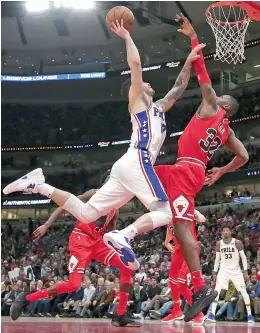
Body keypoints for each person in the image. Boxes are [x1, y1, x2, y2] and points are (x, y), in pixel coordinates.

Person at [3, 21, 204, 271]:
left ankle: (38, 185)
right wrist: (128, 37)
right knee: (166, 211)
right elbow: (136, 65)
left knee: (87, 214)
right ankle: (124, 235)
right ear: (136, 89)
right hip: (138, 160)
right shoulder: (137, 104)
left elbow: (177, 89)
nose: (150, 84)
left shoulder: (158, 108)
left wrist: (189, 60)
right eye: (145, 83)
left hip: (126, 168)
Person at [111, 13, 249, 322]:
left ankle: (200, 286)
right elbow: (244, 158)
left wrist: (192, 37)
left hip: (188, 171)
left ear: (223, 105)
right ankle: (121, 228)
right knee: (137, 175)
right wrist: (222, 171)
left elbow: (202, 75)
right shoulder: (229, 133)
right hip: (184, 169)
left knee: (183, 225)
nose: (215, 96)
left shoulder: (213, 106)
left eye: (221, 97)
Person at [9, 175, 141, 327]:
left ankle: (120, 314)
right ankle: (26, 299)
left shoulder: (115, 209)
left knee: (127, 265)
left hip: (98, 242)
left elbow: (111, 231)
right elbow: (64, 203)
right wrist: (47, 224)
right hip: (81, 240)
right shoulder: (93, 194)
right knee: (74, 285)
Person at [208, 225, 254, 323]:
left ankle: (250, 315)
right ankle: (212, 314)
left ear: (230, 232)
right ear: (222, 233)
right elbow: (217, 259)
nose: (225, 232)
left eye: (227, 231)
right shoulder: (218, 243)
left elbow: (243, 257)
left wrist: (245, 271)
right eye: (223, 231)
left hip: (236, 271)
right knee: (216, 290)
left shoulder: (237, 242)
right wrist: (214, 273)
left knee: (243, 292)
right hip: (223, 270)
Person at [163, 224, 205, 325]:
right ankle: (177, 311)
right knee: (172, 282)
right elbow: (170, 232)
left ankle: (199, 313)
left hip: (189, 251)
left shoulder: (185, 213)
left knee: (181, 285)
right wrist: (167, 243)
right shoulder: (169, 220)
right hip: (177, 252)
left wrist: (197, 214)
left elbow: (202, 218)